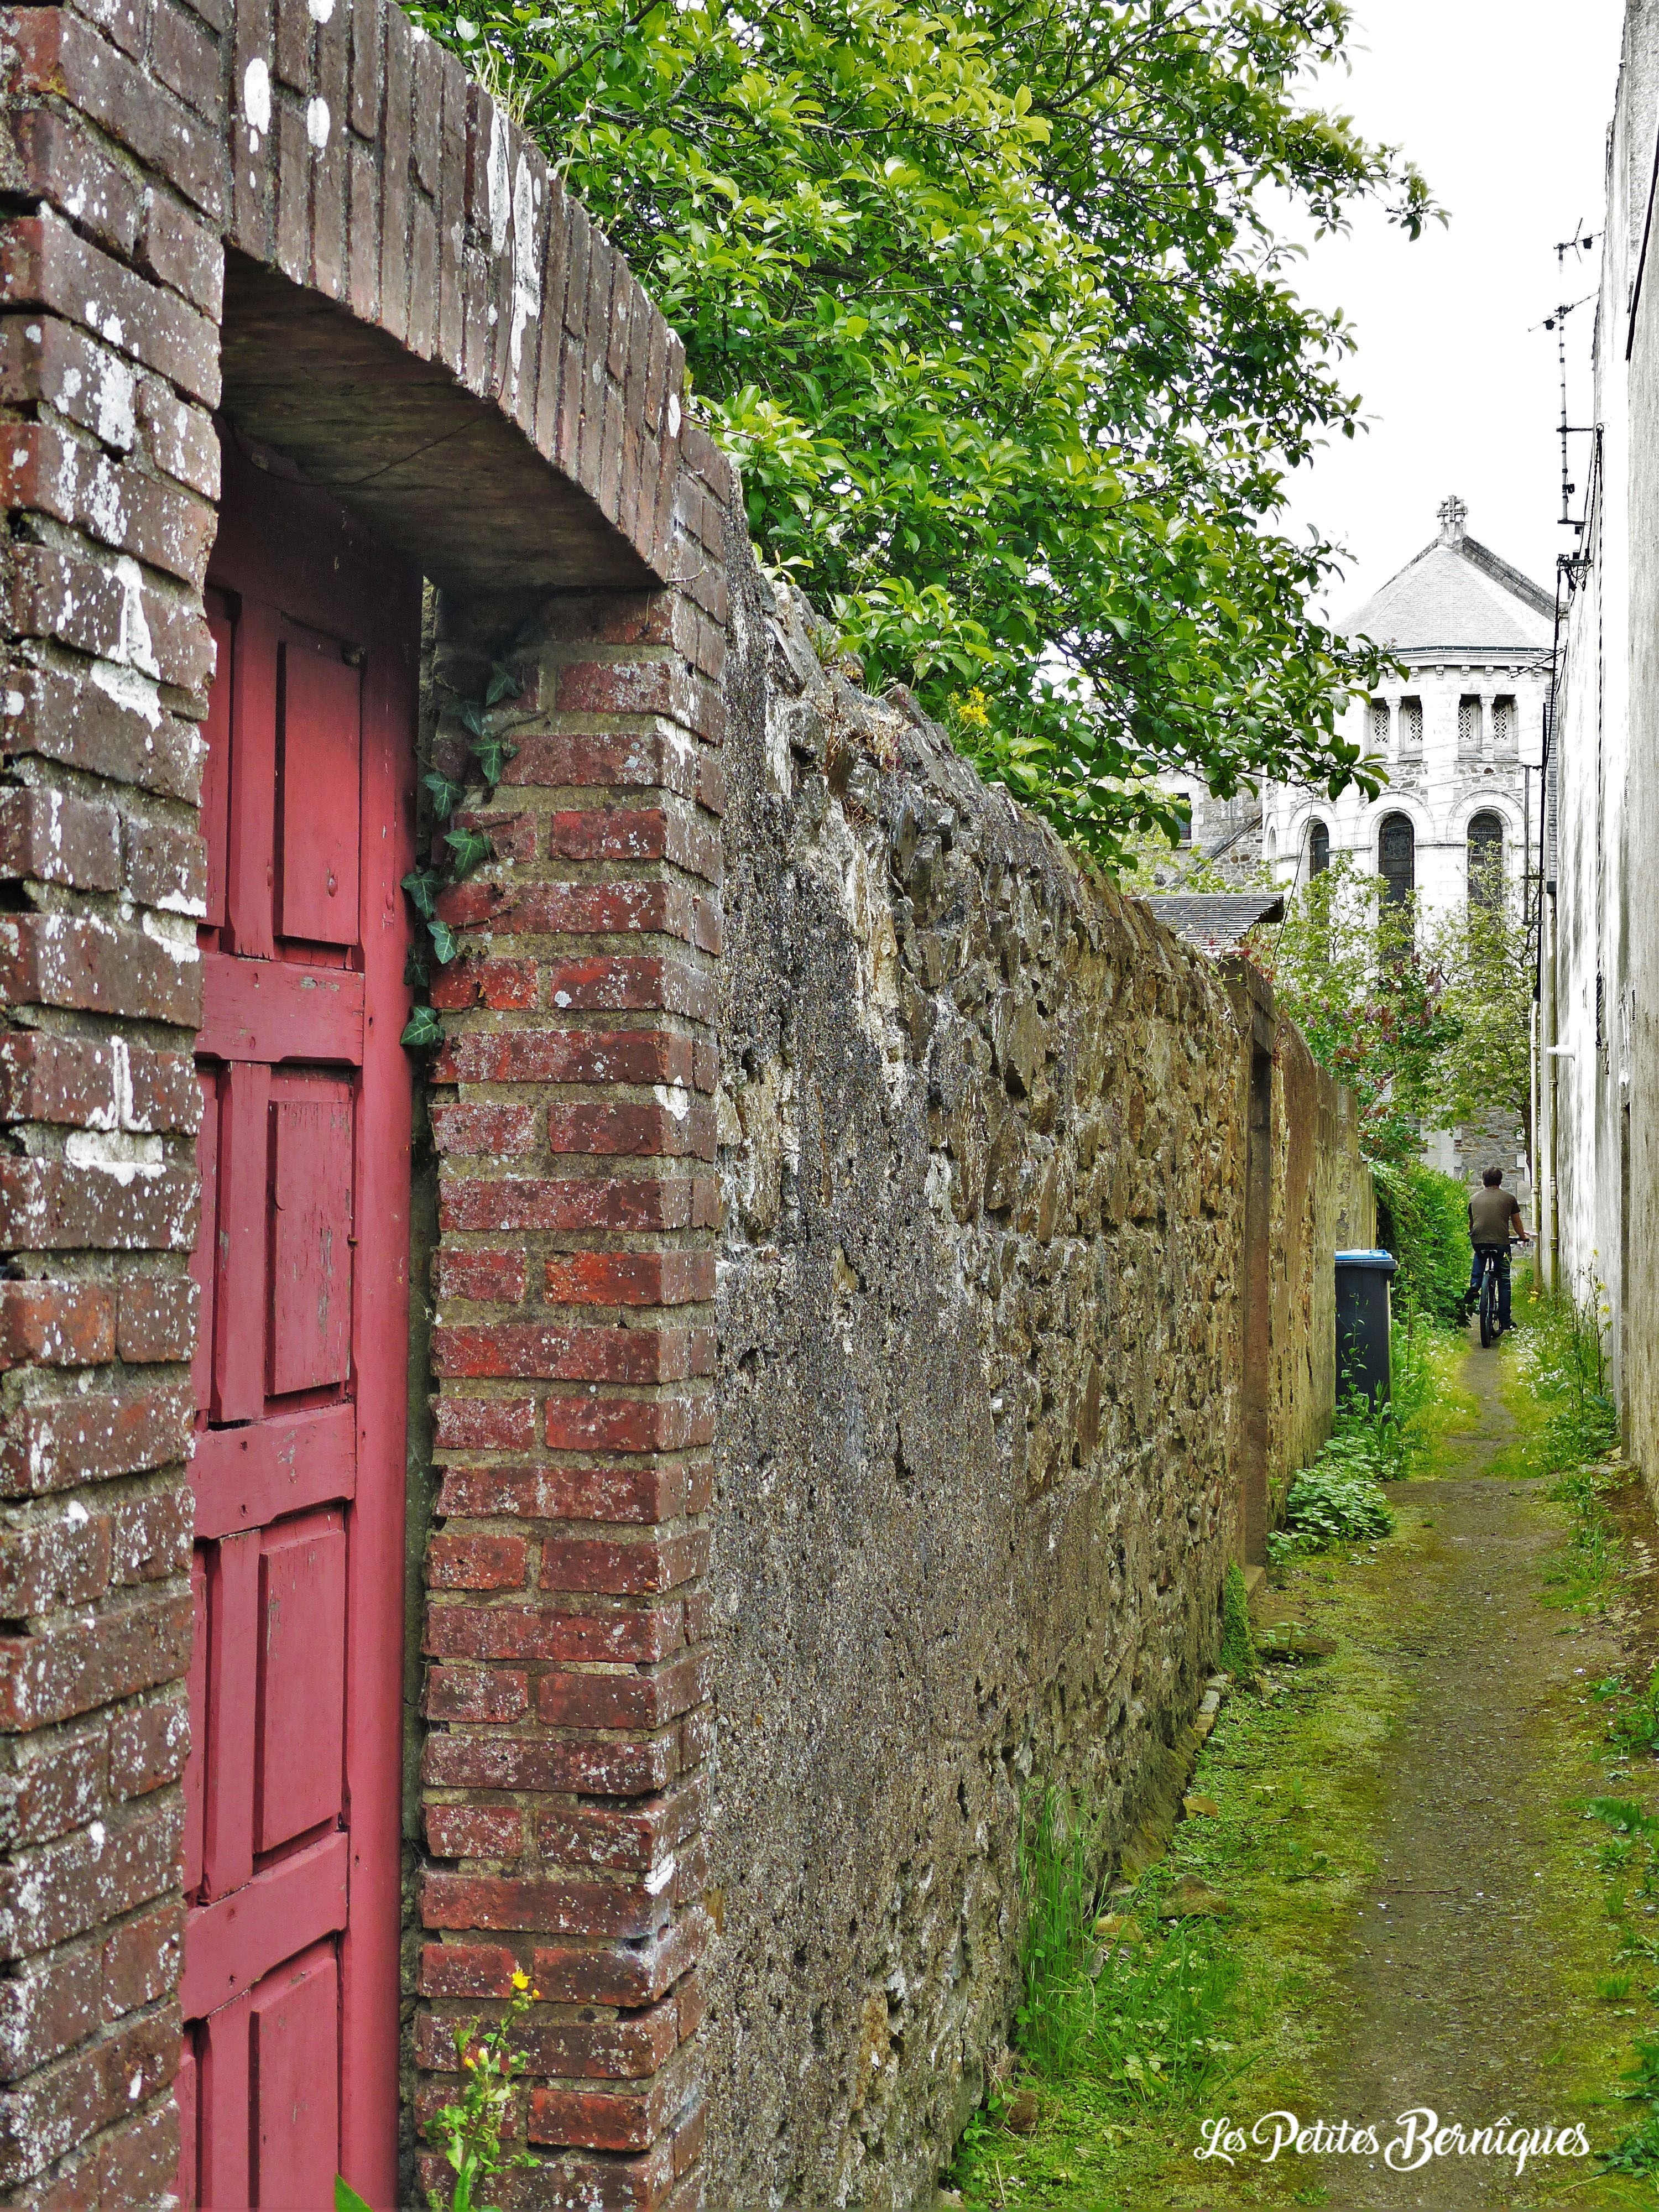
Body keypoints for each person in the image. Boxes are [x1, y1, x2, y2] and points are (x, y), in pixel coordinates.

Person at [1465, 1166, 1530, 1333]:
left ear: (1483, 1180)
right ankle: (1505, 1320)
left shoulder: (1473, 1198)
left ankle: (1475, 1284)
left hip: (1478, 1240)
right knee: (1504, 1279)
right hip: (1501, 1243)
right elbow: (1516, 1223)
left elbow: (1472, 1224)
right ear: (1500, 1182)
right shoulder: (1509, 1198)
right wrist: (1523, 1237)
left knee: (1479, 1255)